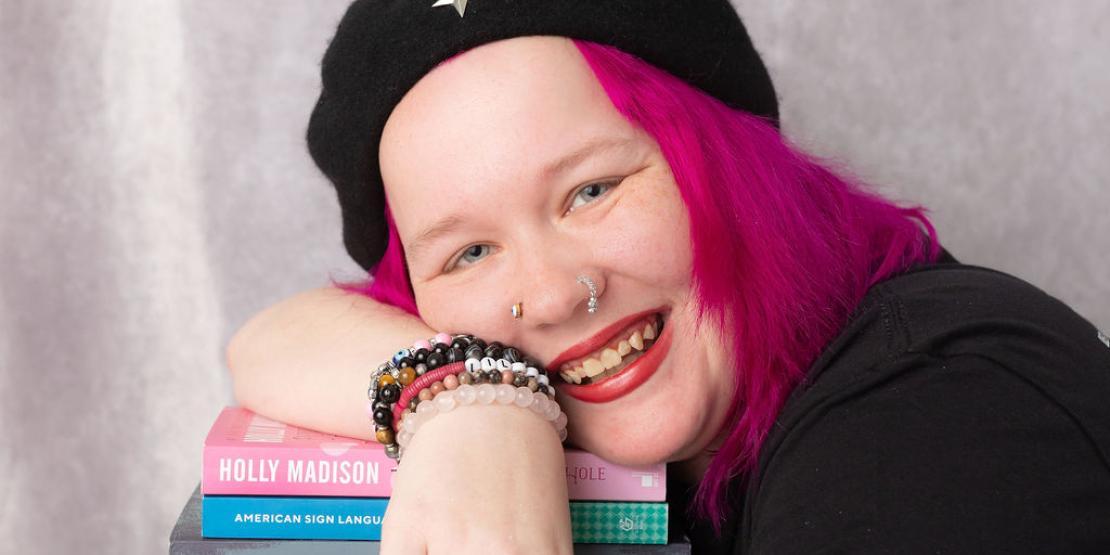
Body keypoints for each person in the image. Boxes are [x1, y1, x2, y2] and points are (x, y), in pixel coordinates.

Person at [228, 1, 1110, 553]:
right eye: (467, 253)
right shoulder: (666, 412)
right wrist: (472, 401)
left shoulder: (939, 409)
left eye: (592, 190)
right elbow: (272, 338)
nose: (551, 290)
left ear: (730, 166)